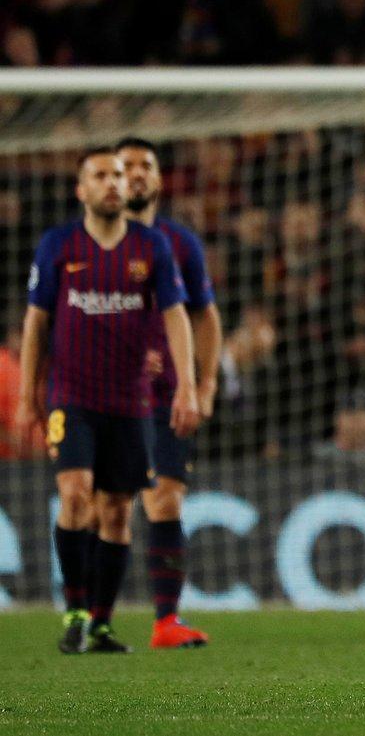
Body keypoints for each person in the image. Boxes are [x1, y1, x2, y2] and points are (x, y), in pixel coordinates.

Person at [15, 148, 200, 654]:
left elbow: (177, 316)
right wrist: (28, 393)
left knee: (117, 512)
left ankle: (100, 623)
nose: (114, 183)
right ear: (82, 190)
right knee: (75, 493)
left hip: (131, 403)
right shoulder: (59, 245)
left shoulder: (152, 247)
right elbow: (36, 322)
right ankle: (74, 609)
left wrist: (186, 384)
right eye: (101, 175)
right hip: (71, 398)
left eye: (118, 175)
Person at [117, 137, 222, 648]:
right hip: (104, 396)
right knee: (99, 508)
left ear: (159, 179)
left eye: (146, 166)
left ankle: (166, 621)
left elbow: (204, 314)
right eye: (126, 166)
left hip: (165, 398)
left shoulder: (180, 243)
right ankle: (89, 617)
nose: (136, 174)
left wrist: (204, 382)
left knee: (166, 500)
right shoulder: (81, 246)